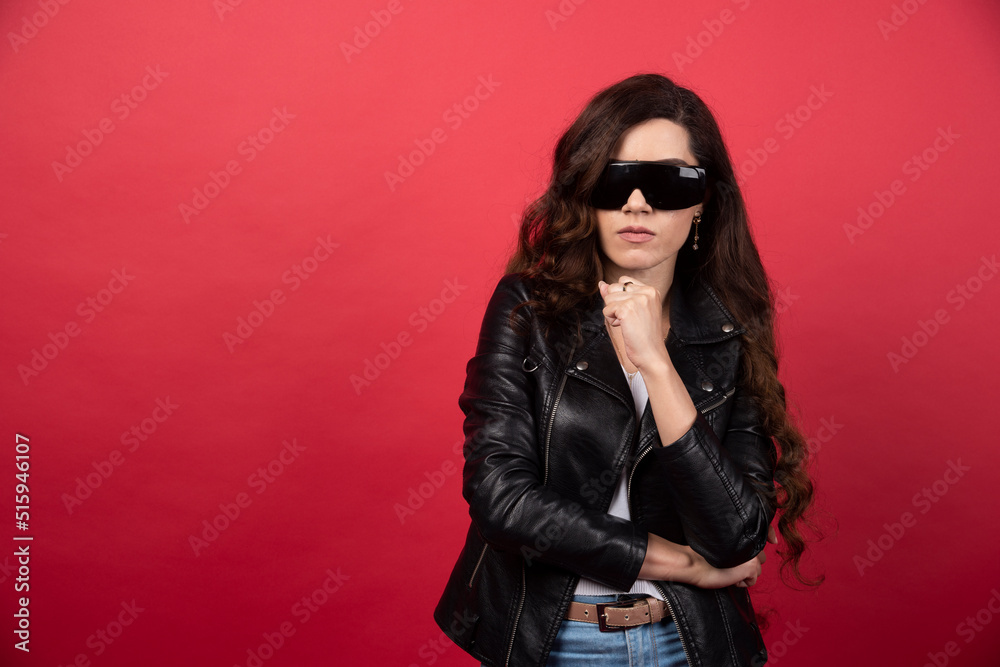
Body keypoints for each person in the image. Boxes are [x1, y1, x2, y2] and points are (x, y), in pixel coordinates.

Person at [434, 73, 819, 667]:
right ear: (586, 190)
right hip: (553, 640)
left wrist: (658, 365)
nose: (637, 203)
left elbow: (737, 535)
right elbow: (502, 499)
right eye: (615, 179)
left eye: (667, 182)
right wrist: (679, 561)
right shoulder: (526, 309)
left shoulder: (728, 328)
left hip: (685, 641)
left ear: (701, 203)